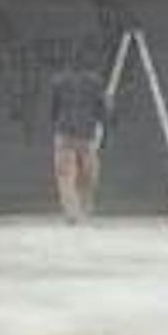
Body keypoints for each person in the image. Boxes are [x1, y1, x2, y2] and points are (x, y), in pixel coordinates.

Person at [47, 62, 110, 222]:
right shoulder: (95, 82)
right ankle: (85, 207)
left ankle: (71, 211)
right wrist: (102, 125)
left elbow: (54, 109)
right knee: (89, 173)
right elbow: (102, 109)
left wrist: (56, 124)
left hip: (65, 131)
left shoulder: (58, 81)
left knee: (65, 174)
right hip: (86, 132)